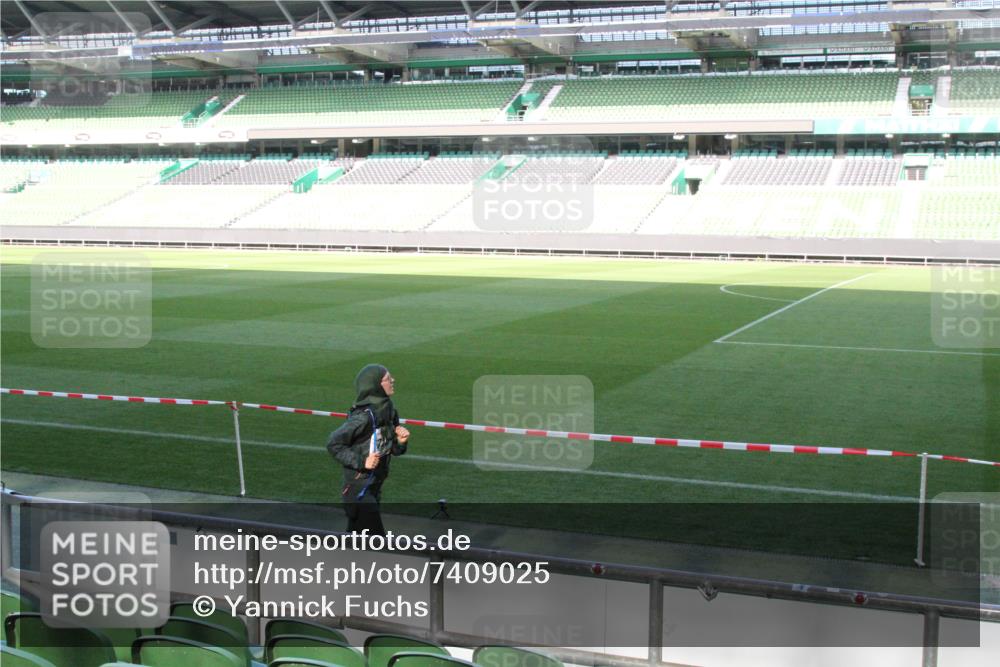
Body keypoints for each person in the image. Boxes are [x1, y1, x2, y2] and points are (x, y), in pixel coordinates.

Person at [326, 364, 410, 535]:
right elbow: (334, 443)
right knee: (377, 541)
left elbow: (391, 448)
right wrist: (362, 461)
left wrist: (401, 442)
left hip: (374, 486)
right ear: (375, 385)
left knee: (356, 543)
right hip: (359, 489)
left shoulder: (389, 410)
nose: (392, 380)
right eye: (387, 379)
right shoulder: (363, 417)